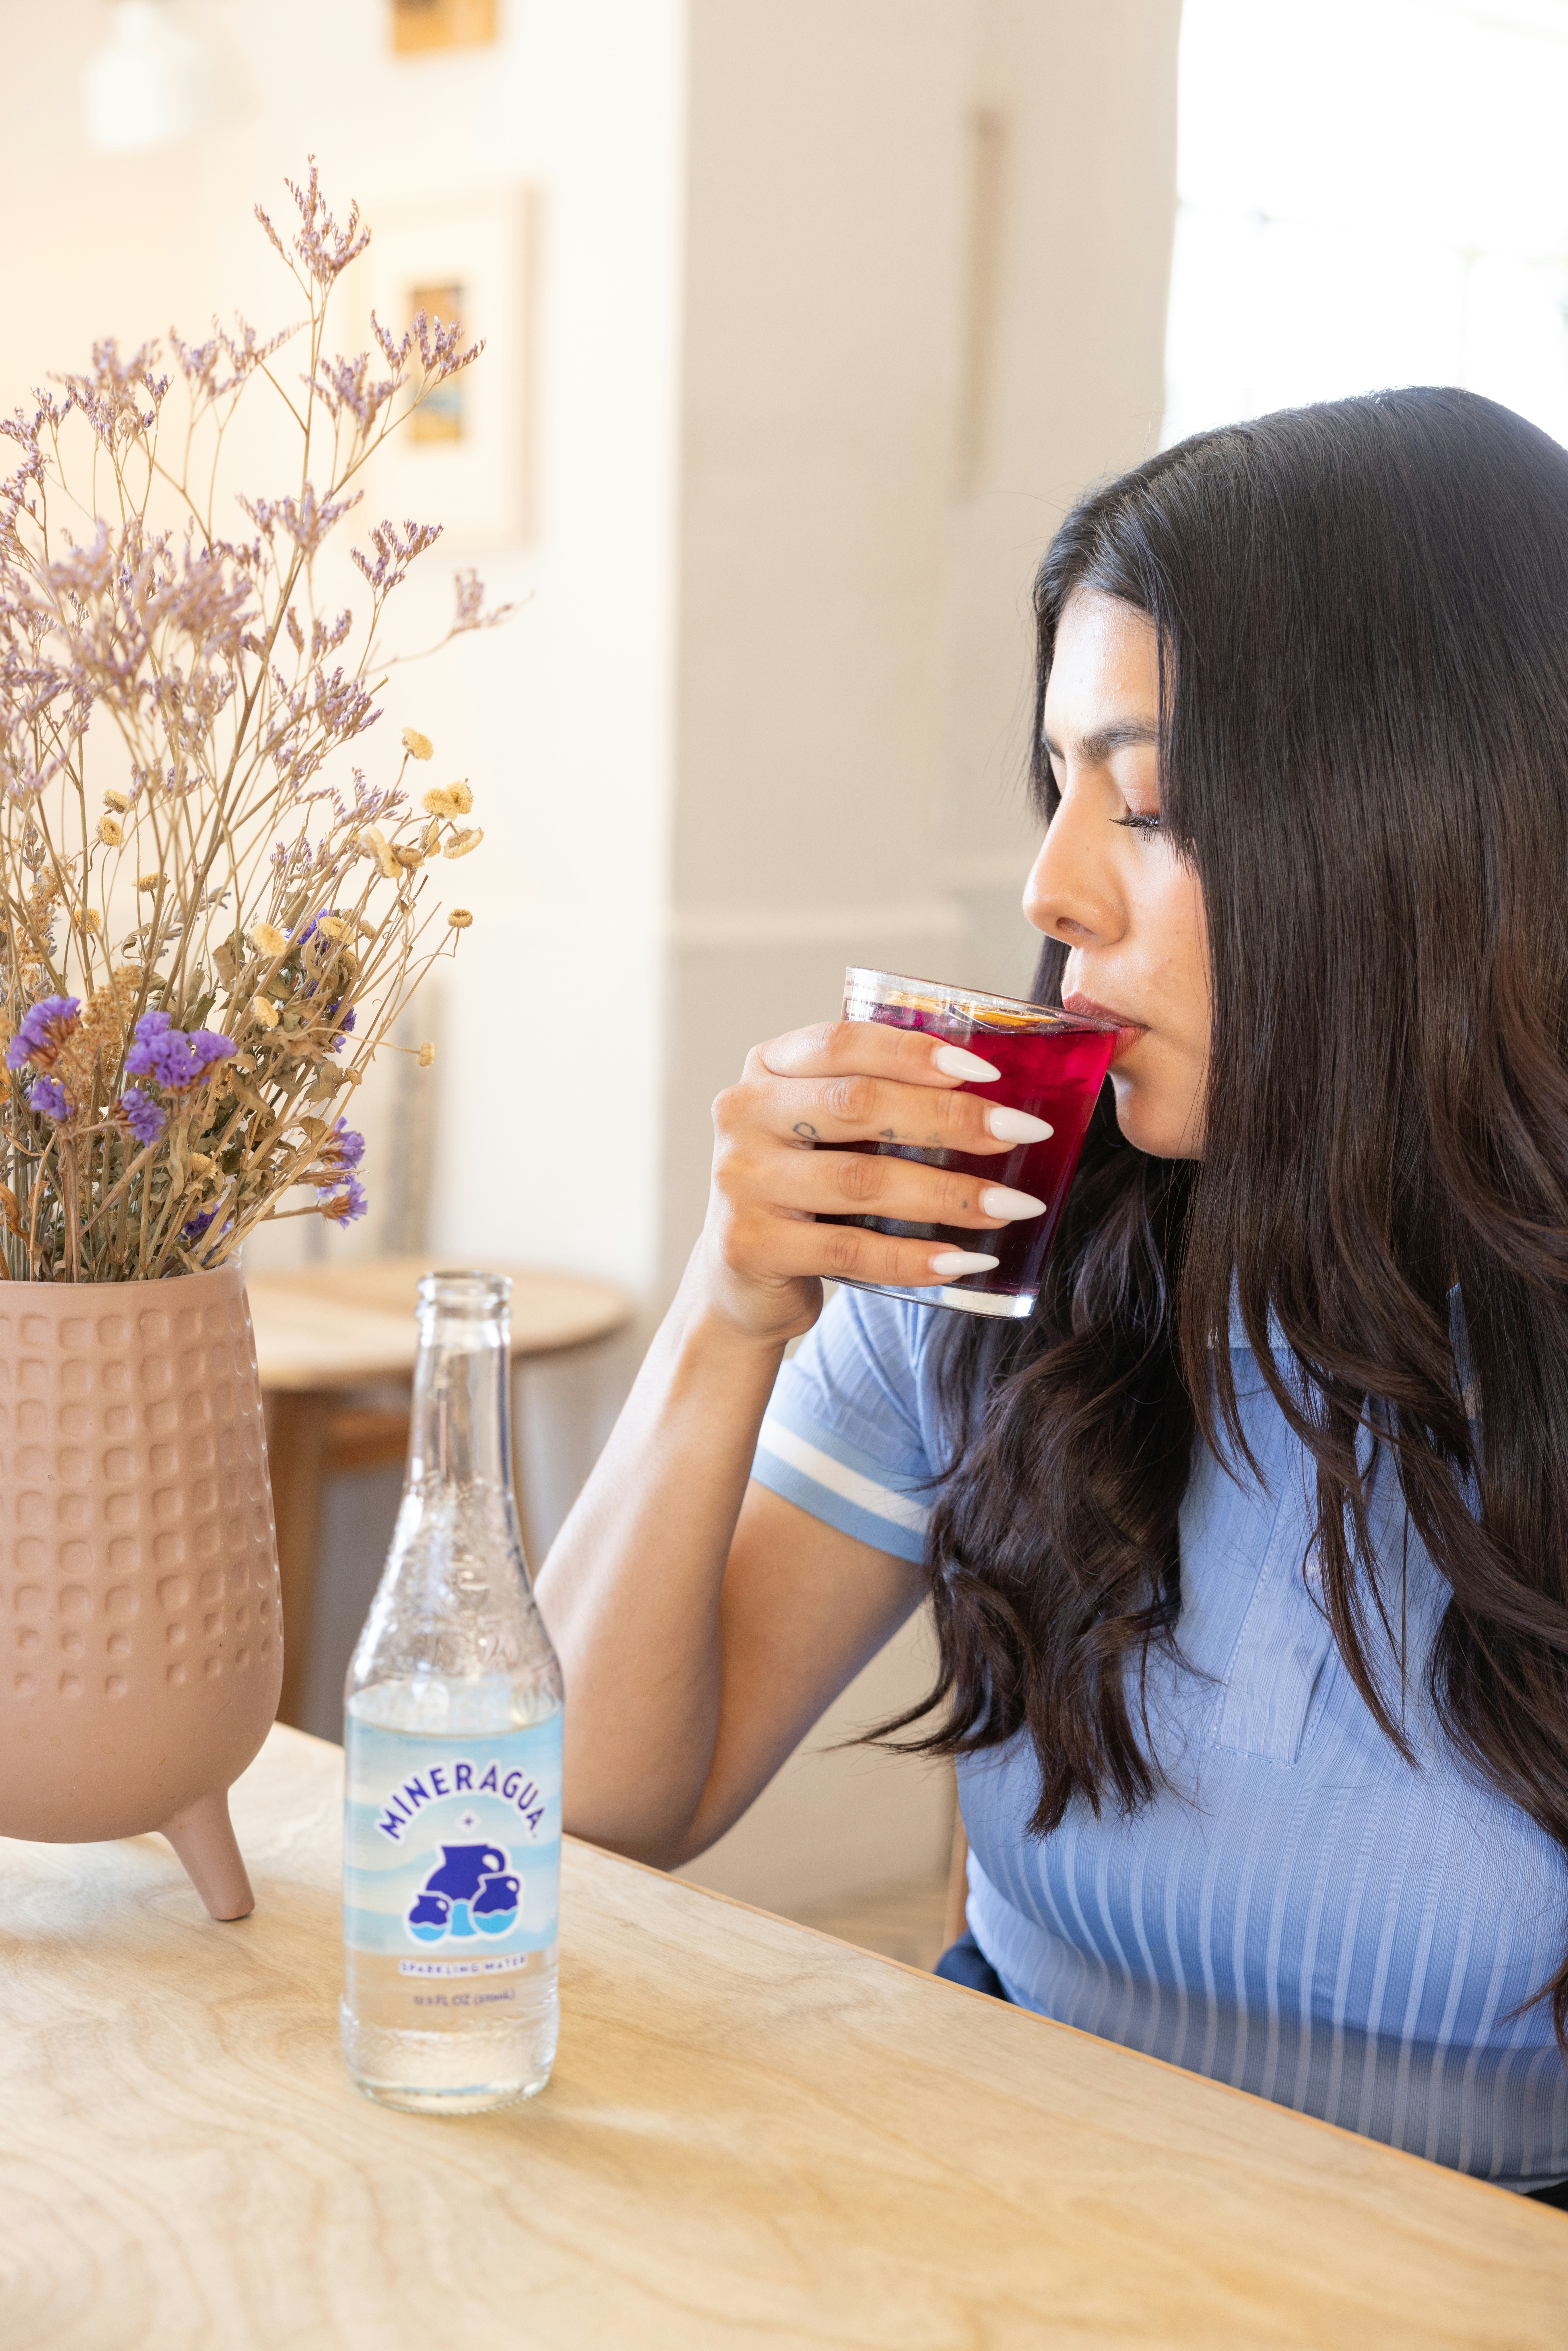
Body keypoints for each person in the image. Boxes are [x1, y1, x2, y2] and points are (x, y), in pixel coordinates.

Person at [537, 387, 1568, 2198]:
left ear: (1434, 841)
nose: (1048, 887)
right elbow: (578, 1808)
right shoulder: (998, 1242)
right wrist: (728, 1315)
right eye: (1056, 785)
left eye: (1151, 805)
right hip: (998, 2226)